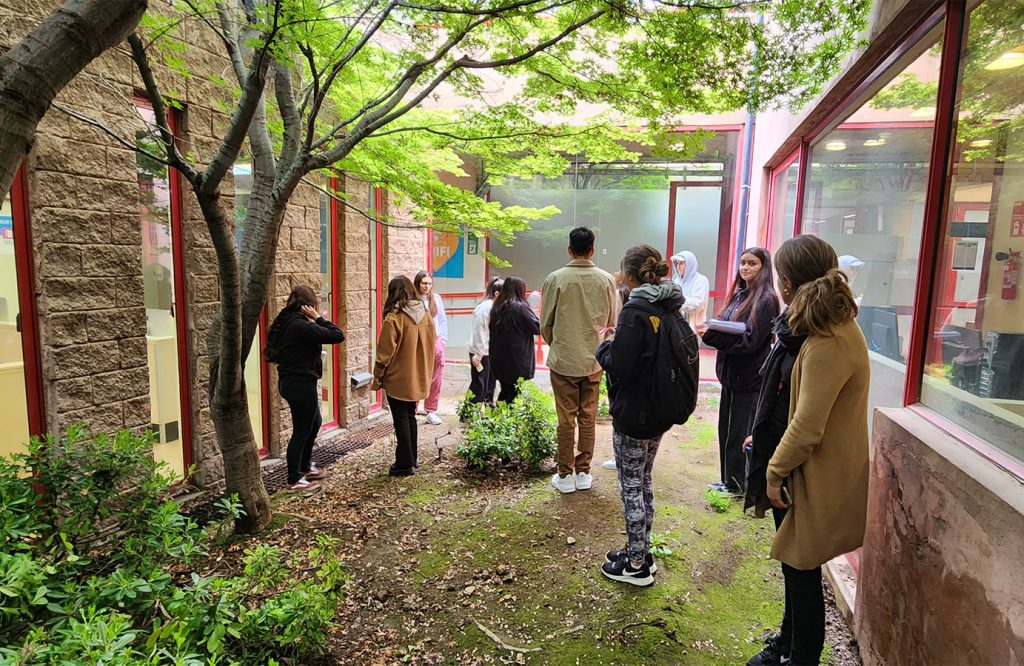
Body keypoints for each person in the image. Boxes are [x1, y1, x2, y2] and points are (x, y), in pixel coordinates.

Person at [745, 235, 869, 666]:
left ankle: (801, 657)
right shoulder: (822, 324)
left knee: (800, 571)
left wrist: (774, 470)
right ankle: (787, 643)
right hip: (804, 466)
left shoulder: (827, 341)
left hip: (809, 472)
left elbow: (808, 425)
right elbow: (788, 398)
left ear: (788, 281)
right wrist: (760, 440)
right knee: (796, 568)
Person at [596, 245, 697, 586]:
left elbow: (621, 364)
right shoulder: (669, 303)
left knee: (630, 487)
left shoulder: (635, 309)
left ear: (628, 273)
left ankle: (636, 564)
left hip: (635, 411)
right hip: (659, 408)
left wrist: (604, 347)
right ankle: (640, 550)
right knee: (644, 481)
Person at [541, 227, 620, 494]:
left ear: (569, 249)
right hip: (594, 360)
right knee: (588, 417)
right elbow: (612, 322)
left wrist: (560, 343)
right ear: (592, 249)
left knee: (566, 418)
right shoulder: (607, 279)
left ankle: (564, 475)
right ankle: (583, 471)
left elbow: (545, 325)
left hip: (564, 358)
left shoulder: (556, 278)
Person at [699, 247, 779, 496]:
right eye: (742, 263)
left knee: (740, 432)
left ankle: (738, 484)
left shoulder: (766, 299)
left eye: (752, 263)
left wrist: (711, 336)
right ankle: (728, 480)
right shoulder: (740, 294)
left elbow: (750, 341)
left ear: (763, 267)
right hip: (731, 375)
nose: (745, 268)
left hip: (750, 376)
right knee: (726, 429)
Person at [265, 285, 345, 492]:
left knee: (314, 422)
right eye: (314, 305)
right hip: (299, 384)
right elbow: (337, 335)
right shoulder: (300, 326)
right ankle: (293, 478)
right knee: (301, 430)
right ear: (307, 307)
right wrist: (318, 317)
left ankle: (304, 466)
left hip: (295, 383)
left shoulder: (290, 322)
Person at [371, 276, 436, 476]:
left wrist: (378, 375)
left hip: (398, 377)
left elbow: (385, 352)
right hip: (419, 375)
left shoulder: (394, 317)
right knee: (410, 416)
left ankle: (404, 463)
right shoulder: (425, 314)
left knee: (401, 419)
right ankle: (412, 459)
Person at [489, 276, 541, 403]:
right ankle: (505, 420)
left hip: (499, 359)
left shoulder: (497, 306)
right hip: (517, 360)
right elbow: (537, 327)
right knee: (513, 393)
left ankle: (499, 418)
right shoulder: (520, 307)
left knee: (506, 390)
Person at [601, 271, 633, 471]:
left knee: (618, 406)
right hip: (635, 361)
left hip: (618, 357)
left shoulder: (618, 296)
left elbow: (613, 324)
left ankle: (619, 455)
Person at [414, 271, 448, 426]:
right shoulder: (412, 300)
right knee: (418, 375)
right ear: (418, 283)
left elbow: (442, 321)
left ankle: (431, 410)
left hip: (436, 341)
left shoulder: (436, 299)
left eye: (429, 283)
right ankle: (412, 408)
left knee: (436, 377)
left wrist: (443, 341)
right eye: (423, 283)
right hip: (419, 343)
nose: (426, 286)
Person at [466, 277, 503, 406]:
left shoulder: (492, 306)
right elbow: (479, 333)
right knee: (479, 385)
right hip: (481, 352)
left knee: (487, 385)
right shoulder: (485, 308)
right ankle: (469, 414)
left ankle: (479, 412)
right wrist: (478, 354)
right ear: (497, 293)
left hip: (487, 352)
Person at [670, 250, 711, 326]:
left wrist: (676, 299)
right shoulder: (676, 280)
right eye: (677, 263)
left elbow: (697, 305)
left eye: (681, 263)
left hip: (694, 329)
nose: (678, 266)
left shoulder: (701, 280)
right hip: (677, 328)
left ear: (690, 265)